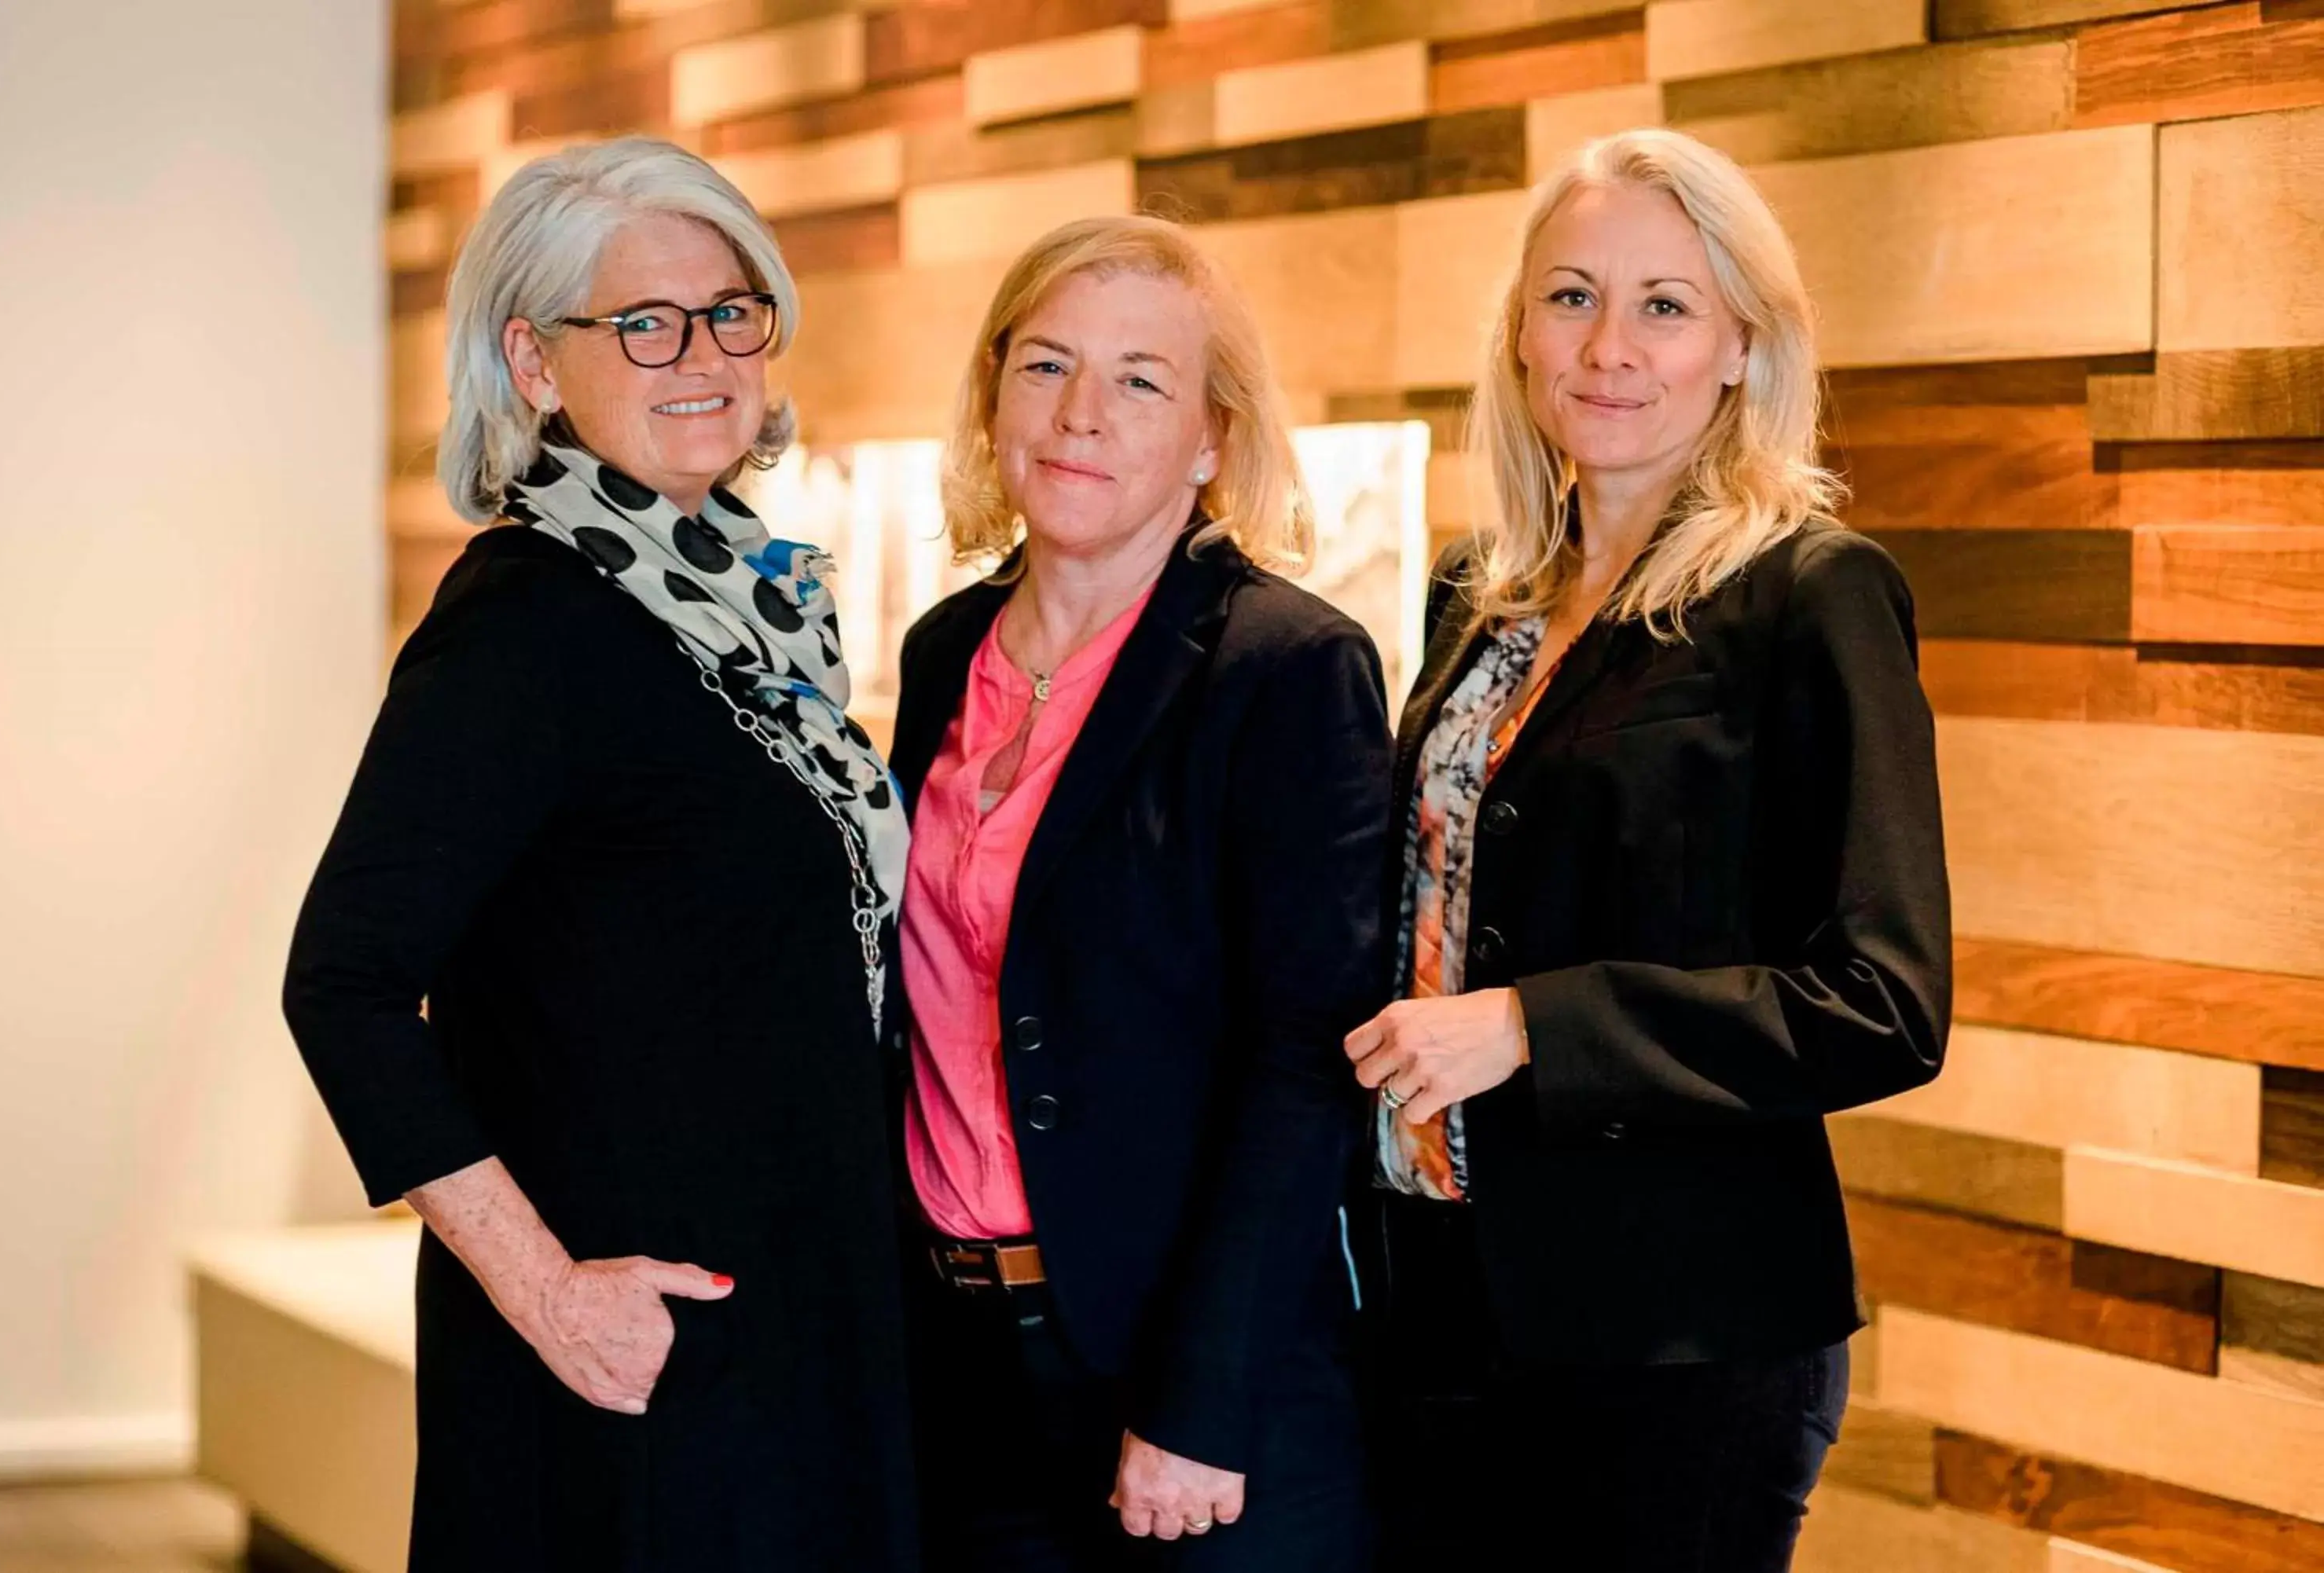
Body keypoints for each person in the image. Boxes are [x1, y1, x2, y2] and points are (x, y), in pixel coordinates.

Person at [282, 138, 918, 1572]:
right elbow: (346, 984)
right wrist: (549, 1290)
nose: (699, 353)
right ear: (535, 360)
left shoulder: (753, 612)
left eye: (730, 310)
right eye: (643, 321)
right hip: (635, 1363)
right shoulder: (525, 626)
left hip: (799, 1321)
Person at [1345, 128, 1951, 1572]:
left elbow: (1882, 1000)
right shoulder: (1475, 597)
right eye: (1570, 297)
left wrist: (1534, 1028)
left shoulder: (1811, 595)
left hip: (1679, 1333)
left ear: (1744, 345)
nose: (1610, 347)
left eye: (1666, 305)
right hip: (1434, 1302)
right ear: (1520, 335)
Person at [889, 213, 1390, 1571]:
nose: (1081, 415)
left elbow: (1309, 1063)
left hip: (1185, 1386)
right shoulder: (943, 652)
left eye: (1142, 380)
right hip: (960, 1364)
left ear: (1216, 437)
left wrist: (1197, 1401)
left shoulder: (1286, 668)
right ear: (994, 389)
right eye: (1046, 364)